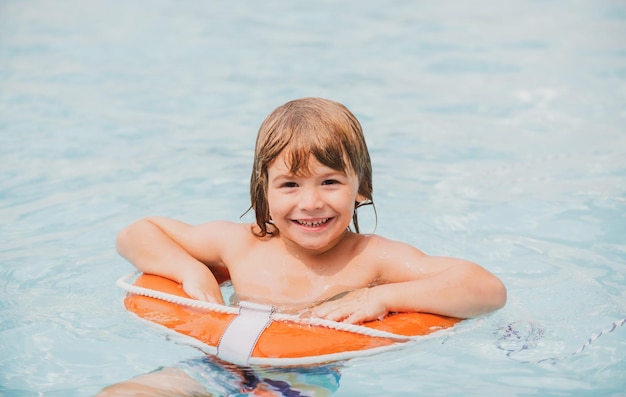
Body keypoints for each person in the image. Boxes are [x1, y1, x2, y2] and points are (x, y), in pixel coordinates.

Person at [98, 97, 506, 396]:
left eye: (329, 182)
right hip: (214, 364)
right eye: (290, 184)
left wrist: (383, 297)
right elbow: (137, 233)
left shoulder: (371, 259)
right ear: (265, 192)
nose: (311, 203)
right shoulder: (240, 244)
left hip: (301, 380)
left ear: (360, 189)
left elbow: (485, 289)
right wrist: (192, 271)